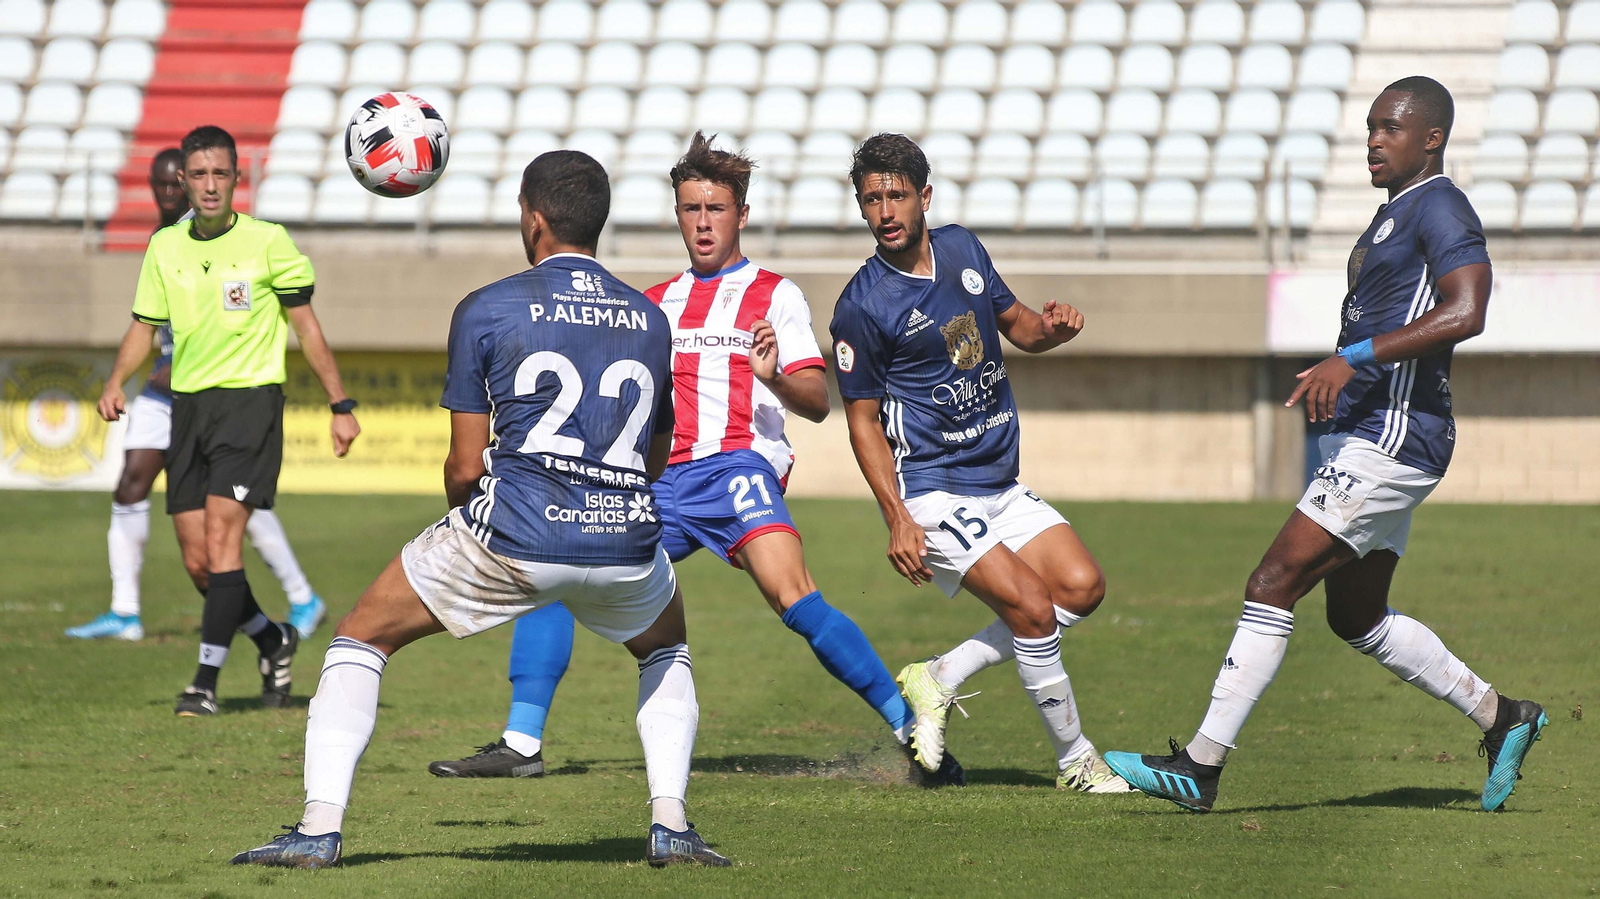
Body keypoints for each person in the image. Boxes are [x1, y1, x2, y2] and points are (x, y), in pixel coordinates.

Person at [231, 150, 729, 870]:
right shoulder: (649, 319)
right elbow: (656, 452)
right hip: (625, 539)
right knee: (665, 649)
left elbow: (466, 466)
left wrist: (470, 528)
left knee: (360, 638)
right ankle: (672, 824)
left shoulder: (489, 306)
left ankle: (317, 829)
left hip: (516, 533)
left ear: (532, 219)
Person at [426, 133, 962, 785]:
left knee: (793, 595)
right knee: (558, 571)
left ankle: (912, 732)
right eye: (690, 209)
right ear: (677, 215)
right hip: (658, 481)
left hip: (736, 470)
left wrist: (771, 375)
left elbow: (819, 400)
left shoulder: (773, 294)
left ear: (740, 214)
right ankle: (522, 740)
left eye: (715, 209)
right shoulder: (652, 303)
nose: (703, 222)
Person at [1102, 78, 1547, 814]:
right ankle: (1503, 717)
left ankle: (1201, 766)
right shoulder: (1392, 216)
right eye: (1371, 127)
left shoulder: (1441, 204)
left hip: (1396, 439)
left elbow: (1468, 309)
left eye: (1391, 128)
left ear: (1432, 138)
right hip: (1381, 435)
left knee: (1273, 580)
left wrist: (1357, 357)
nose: (1374, 140)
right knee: (1356, 614)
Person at [828, 133, 1131, 793]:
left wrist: (1054, 329)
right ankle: (1076, 761)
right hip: (935, 491)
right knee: (1030, 608)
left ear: (924, 197)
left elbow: (1018, 324)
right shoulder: (862, 305)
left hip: (1000, 481)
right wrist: (898, 517)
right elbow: (861, 421)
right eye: (872, 198)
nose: (885, 210)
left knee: (1080, 587)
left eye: (897, 195)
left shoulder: (963, 248)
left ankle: (938, 676)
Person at [96, 126, 360, 716]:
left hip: (250, 405)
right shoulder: (165, 246)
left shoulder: (269, 242)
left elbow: (307, 327)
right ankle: (273, 638)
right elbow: (144, 325)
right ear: (183, 181)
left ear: (238, 179)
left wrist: (339, 404)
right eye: (199, 175)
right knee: (198, 562)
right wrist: (117, 380)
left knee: (223, 539)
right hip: (187, 410)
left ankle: (204, 682)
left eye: (221, 174)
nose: (210, 185)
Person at [68, 148, 328, 643]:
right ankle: (125, 611)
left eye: (176, 183)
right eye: (163, 184)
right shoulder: (163, 241)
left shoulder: (213, 229)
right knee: (130, 485)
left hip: (214, 393)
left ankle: (300, 596)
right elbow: (148, 323)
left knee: (234, 513)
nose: (171, 192)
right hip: (163, 394)